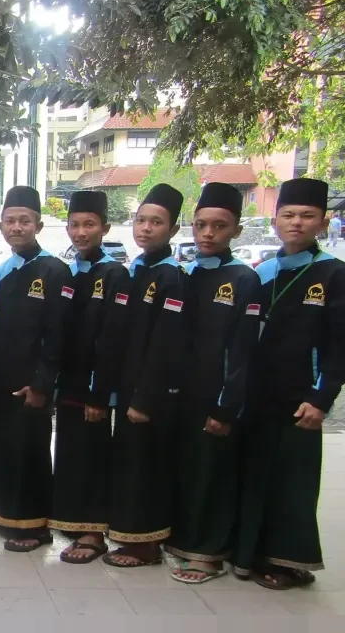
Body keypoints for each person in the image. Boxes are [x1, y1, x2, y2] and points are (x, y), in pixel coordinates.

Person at [233, 177, 345, 590]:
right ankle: (249, 553)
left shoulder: (333, 274)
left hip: (300, 399)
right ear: (275, 221)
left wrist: (322, 397)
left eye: (307, 216)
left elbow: (339, 345)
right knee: (254, 475)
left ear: (323, 222)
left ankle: (289, 562)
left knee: (292, 483)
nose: (296, 223)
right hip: (256, 395)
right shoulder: (262, 273)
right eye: (289, 215)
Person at [166, 183, 262, 584]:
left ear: (236, 231)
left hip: (216, 399)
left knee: (212, 476)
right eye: (201, 224)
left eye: (219, 226)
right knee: (186, 471)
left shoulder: (243, 279)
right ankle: (182, 544)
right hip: (180, 397)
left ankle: (208, 555)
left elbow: (242, 352)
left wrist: (226, 406)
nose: (208, 233)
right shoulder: (185, 275)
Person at [0, 186, 70, 553]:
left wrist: (42, 383)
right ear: (1, 225)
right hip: (1, 378)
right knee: (0, 447)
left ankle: (34, 525)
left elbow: (58, 334)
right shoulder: (4, 270)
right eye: (10, 221)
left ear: (39, 226)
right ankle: (1, 515)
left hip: (31, 384)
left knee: (30, 452)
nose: (16, 227)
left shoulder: (54, 270)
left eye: (24, 221)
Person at [104, 184, 186, 569]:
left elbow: (166, 345)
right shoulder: (135, 271)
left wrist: (144, 397)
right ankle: (130, 536)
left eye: (157, 222)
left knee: (147, 467)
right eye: (141, 220)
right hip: (127, 386)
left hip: (150, 395)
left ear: (173, 229)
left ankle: (147, 545)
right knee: (129, 465)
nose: (146, 228)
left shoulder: (171, 277)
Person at [50, 190, 130, 564]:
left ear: (105, 228)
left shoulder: (114, 274)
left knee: (93, 458)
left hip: (93, 389)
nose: (81, 232)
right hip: (68, 384)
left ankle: (94, 534)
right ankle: (74, 522)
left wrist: (100, 395)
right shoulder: (69, 271)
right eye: (75, 225)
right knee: (70, 455)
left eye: (89, 225)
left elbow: (112, 340)